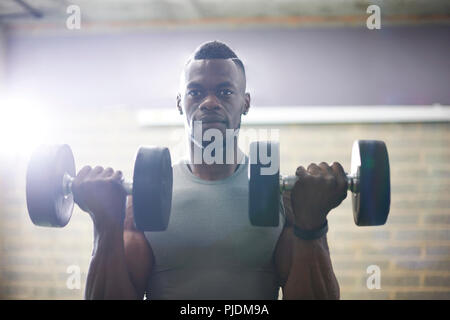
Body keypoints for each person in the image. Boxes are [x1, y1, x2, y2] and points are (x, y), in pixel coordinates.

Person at [72, 41, 347, 300]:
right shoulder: (144, 199)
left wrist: (313, 224)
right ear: (180, 102)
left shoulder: (280, 195)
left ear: (246, 102)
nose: (210, 102)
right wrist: (104, 223)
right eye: (196, 92)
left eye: (225, 92)